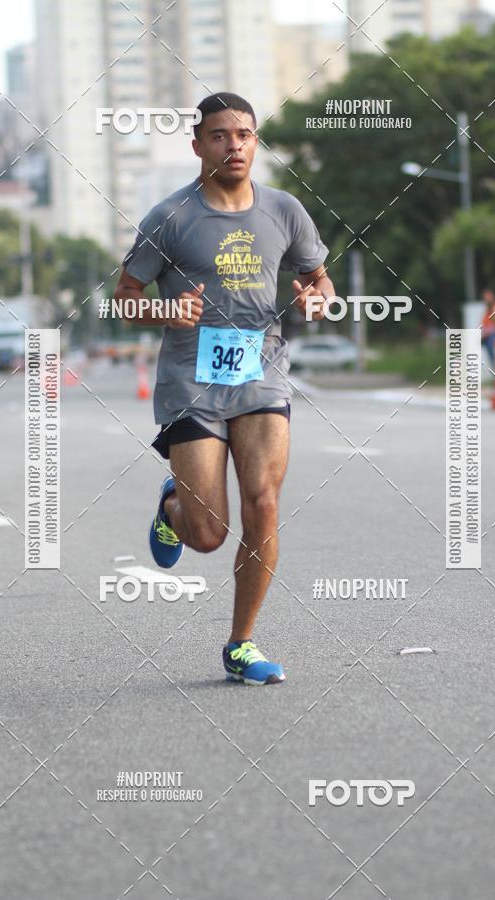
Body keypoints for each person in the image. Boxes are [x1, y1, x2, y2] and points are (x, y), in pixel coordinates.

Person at [113, 92, 334, 685]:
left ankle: (241, 643)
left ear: (255, 143)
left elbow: (320, 279)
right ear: (198, 145)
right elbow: (123, 298)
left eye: (244, 135)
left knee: (263, 502)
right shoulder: (171, 217)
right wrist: (167, 310)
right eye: (220, 135)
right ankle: (173, 506)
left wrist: (317, 297)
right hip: (192, 382)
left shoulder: (285, 210)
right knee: (208, 534)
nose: (234, 145)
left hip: (261, 375)